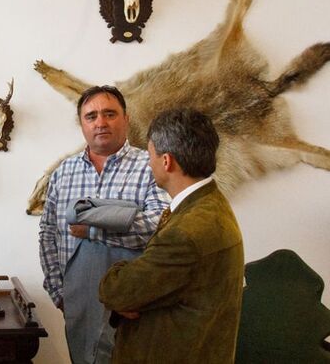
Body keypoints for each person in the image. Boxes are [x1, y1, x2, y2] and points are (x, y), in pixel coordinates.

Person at [99, 108, 244, 363]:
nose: (149, 163)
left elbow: (116, 290)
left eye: (151, 155)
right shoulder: (211, 204)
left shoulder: (186, 233)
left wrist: (121, 281)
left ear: (166, 161)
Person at [38, 86, 169, 364]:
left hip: (134, 306)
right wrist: (59, 293)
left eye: (110, 114)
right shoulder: (63, 173)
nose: (100, 122)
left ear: (126, 119)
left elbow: (160, 225)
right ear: (82, 123)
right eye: (91, 116)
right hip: (79, 305)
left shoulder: (149, 166)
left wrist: (94, 231)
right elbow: (48, 233)